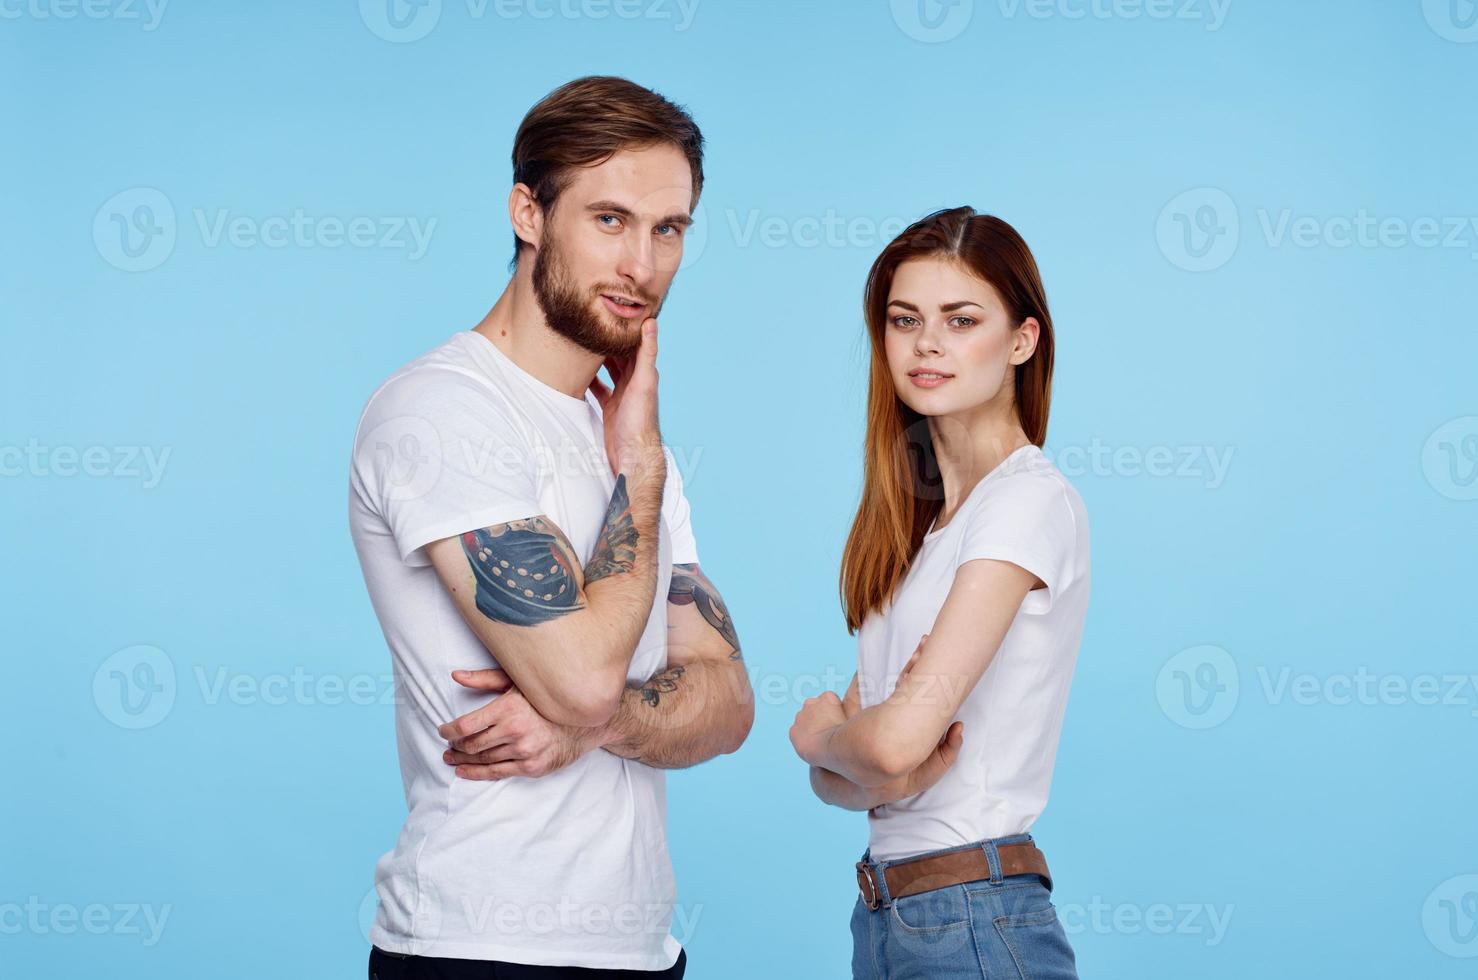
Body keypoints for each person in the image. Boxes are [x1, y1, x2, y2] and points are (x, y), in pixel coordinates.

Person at [348, 75, 752, 978]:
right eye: (609, 219)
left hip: (641, 949)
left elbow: (729, 704)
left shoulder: (631, 443)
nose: (641, 265)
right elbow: (578, 680)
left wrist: (594, 724)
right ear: (528, 212)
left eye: (669, 228)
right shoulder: (442, 411)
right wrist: (595, 698)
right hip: (478, 946)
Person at [789, 207, 1089, 979]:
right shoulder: (920, 537)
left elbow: (883, 747)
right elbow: (851, 787)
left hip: (974, 917)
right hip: (892, 917)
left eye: (961, 320)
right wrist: (861, 757)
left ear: (1022, 339)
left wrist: (823, 737)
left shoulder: (1024, 503)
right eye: (904, 319)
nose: (926, 344)